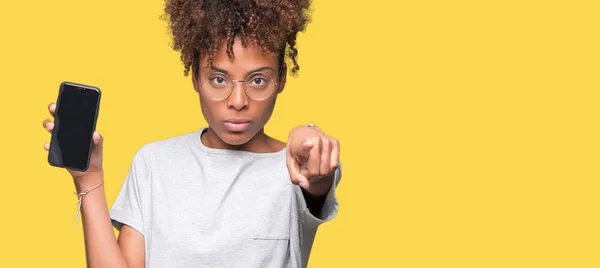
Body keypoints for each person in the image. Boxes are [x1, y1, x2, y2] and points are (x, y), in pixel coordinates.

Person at [41, 0, 342, 267]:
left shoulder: (297, 166)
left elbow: (316, 173)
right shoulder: (154, 162)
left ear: (281, 79)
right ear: (196, 76)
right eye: (219, 79)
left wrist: (309, 133)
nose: (238, 101)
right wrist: (88, 177)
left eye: (258, 80)